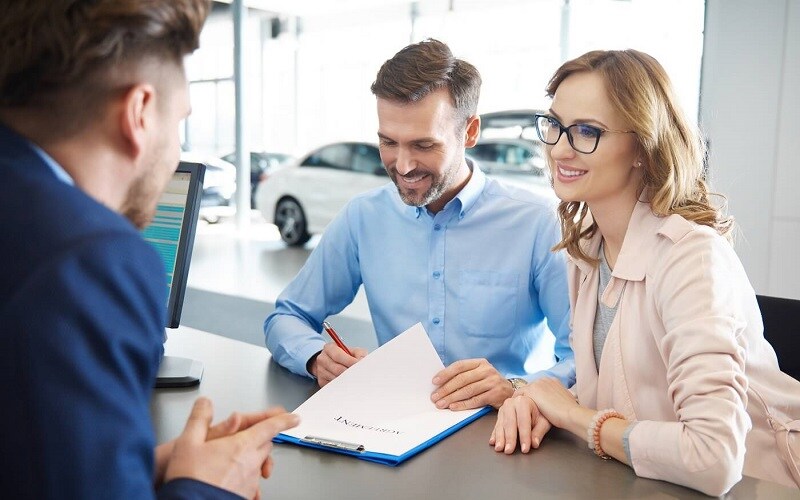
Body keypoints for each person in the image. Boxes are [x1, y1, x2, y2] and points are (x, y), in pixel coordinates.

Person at [0, 1, 298, 498]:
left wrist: (131, 466)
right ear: (139, 113)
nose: (178, 149)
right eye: (179, 119)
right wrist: (204, 487)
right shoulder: (90, 258)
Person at [490, 49, 800, 495]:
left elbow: (713, 457)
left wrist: (573, 417)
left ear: (642, 147)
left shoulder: (691, 259)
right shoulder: (588, 249)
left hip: (759, 486)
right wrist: (537, 400)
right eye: (555, 125)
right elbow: (623, 393)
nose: (559, 147)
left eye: (586, 132)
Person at [265, 38, 574, 411]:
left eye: (424, 145)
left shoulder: (536, 222)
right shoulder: (364, 216)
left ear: (470, 132)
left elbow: (583, 358)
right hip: (393, 426)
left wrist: (516, 388)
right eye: (388, 142)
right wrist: (316, 356)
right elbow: (286, 317)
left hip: (499, 431)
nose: (404, 165)